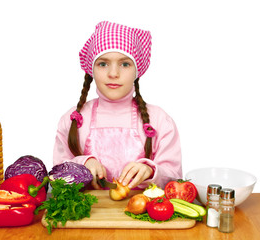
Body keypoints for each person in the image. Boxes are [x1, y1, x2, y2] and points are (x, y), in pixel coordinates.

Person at [53, 21, 182, 190]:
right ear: (91, 69)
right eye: (103, 64)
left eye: (125, 64)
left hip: (139, 214)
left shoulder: (159, 120)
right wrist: (83, 163)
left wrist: (150, 171)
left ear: (137, 70)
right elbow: (56, 175)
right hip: (89, 215)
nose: (113, 74)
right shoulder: (73, 119)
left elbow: (176, 179)